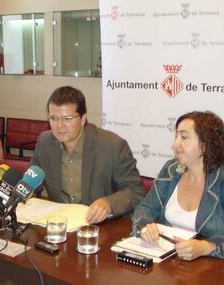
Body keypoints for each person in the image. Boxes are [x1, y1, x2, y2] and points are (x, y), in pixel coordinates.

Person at [132, 111, 224, 260]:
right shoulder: (173, 170)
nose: (174, 145)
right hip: (169, 263)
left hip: (212, 269)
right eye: (176, 137)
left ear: (205, 144)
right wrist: (144, 226)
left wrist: (207, 246)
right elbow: (145, 208)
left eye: (184, 137)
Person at [31, 86, 145, 224]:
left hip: (103, 226)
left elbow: (136, 190)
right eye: (53, 118)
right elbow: (31, 180)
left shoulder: (113, 146)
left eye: (67, 118)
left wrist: (108, 203)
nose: (59, 125)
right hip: (61, 223)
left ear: (83, 118)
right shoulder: (45, 142)